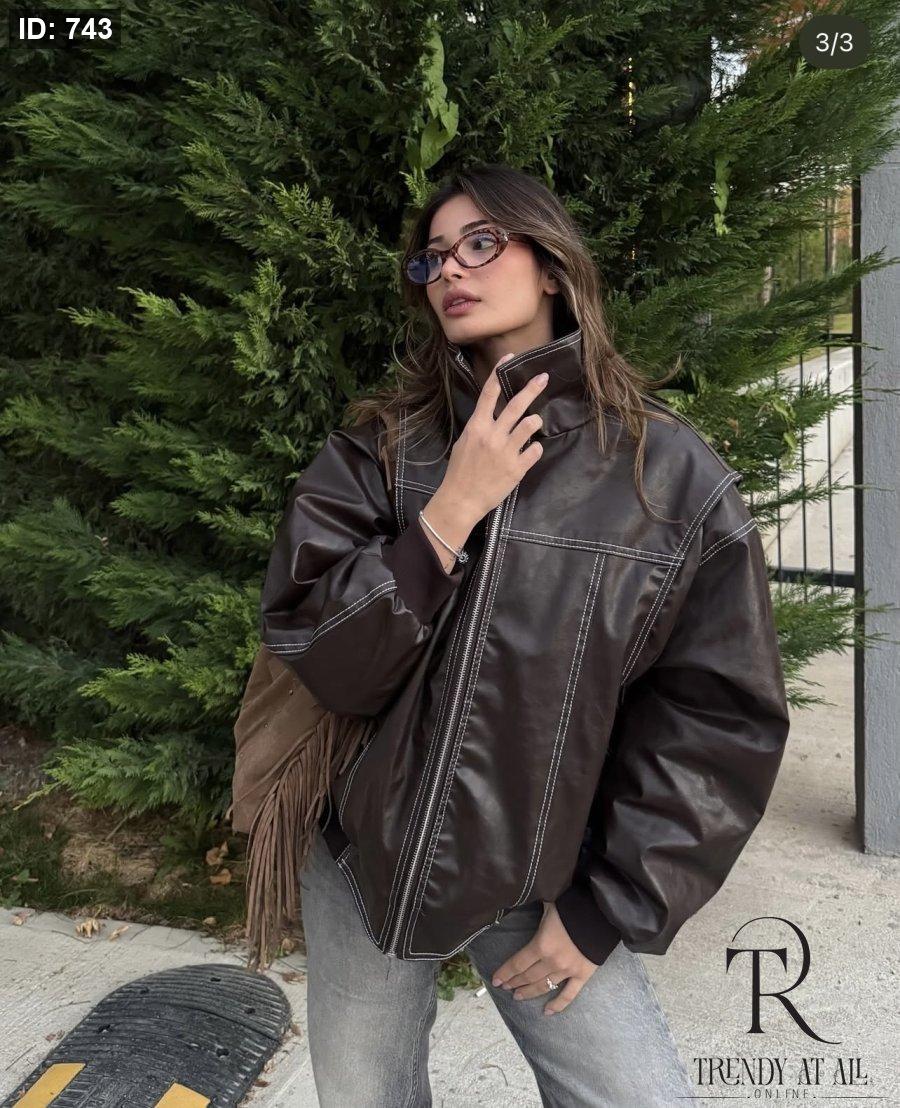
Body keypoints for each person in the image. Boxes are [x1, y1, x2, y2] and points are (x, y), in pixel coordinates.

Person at [259, 163, 791, 1106]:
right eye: (432, 259)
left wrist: (606, 909)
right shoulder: (383, 450)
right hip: (367, 860)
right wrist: (448, 513)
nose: (451, 271)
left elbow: (718, 719)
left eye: (480, 243)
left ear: (550, 264)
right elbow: (327, 660)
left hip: (548, 879)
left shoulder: (668, 477)